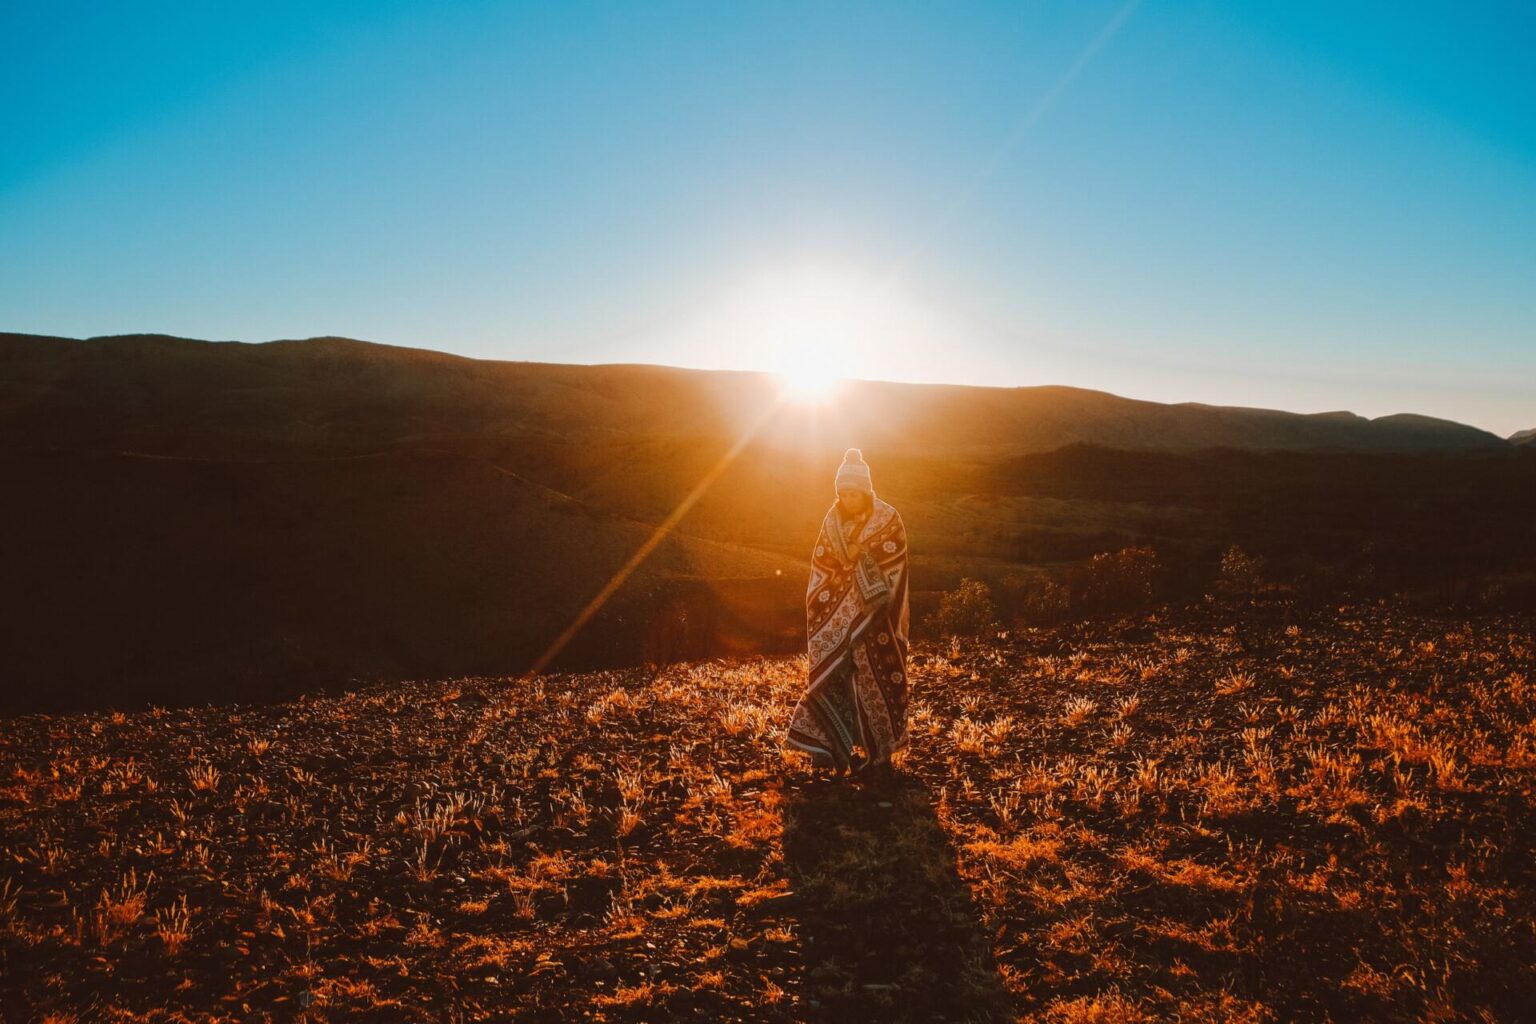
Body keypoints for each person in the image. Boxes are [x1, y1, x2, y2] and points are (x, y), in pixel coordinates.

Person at [785, 447, 911, 778]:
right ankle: (825, 750)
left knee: (876, 682)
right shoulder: (832, 522)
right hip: (835, 617)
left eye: (854, 492)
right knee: (830, 678)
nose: (849, 499)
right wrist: (847, 567)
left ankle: (879, 755)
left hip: (878, 619)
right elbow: (823, 569)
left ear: (866, 490)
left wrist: (863, 554)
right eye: (843, 493)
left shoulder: (888, 519)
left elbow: (895, 563)